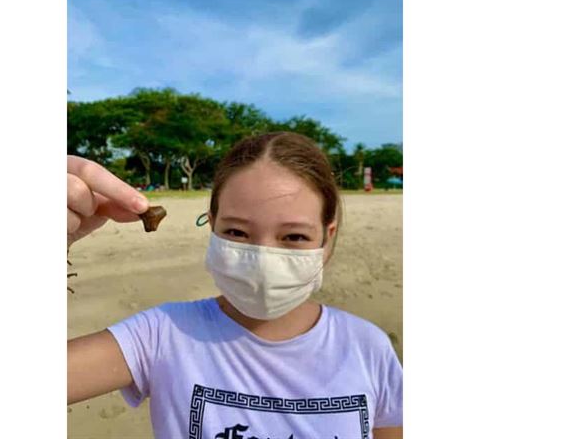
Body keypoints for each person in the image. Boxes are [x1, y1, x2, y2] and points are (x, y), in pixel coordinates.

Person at [67, 132, 403, 439]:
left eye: (295, 237)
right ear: (211, 227)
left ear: (326, 239)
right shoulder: (161, 335)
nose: (263, 259)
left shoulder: (368, 348)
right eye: (237, 233)